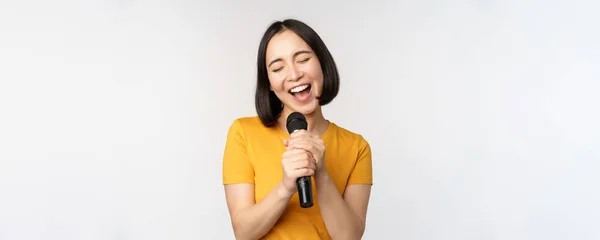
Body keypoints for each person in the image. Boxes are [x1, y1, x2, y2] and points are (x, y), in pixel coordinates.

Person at [222, 19, 373, 240]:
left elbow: (349, 237)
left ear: (322, 63)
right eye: (278, 68)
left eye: (302, 59)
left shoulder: (357, 147)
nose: (293, 75)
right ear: (270, 84)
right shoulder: (243, 133)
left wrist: (320, 171)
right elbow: (243, 233)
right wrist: (285, 188)